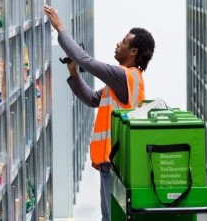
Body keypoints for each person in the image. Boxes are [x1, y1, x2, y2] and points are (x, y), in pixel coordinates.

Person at [44, 5, 155, 221]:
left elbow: (87, 61)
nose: (117, 44)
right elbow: (92, 99)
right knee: (109, 216)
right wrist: (73, 73)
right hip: (111, 160)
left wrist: (61, 29)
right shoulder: (127, 80)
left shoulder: (124, 76)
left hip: (115, 160)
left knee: (112, 217)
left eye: (123, 42)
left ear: (133, 52)